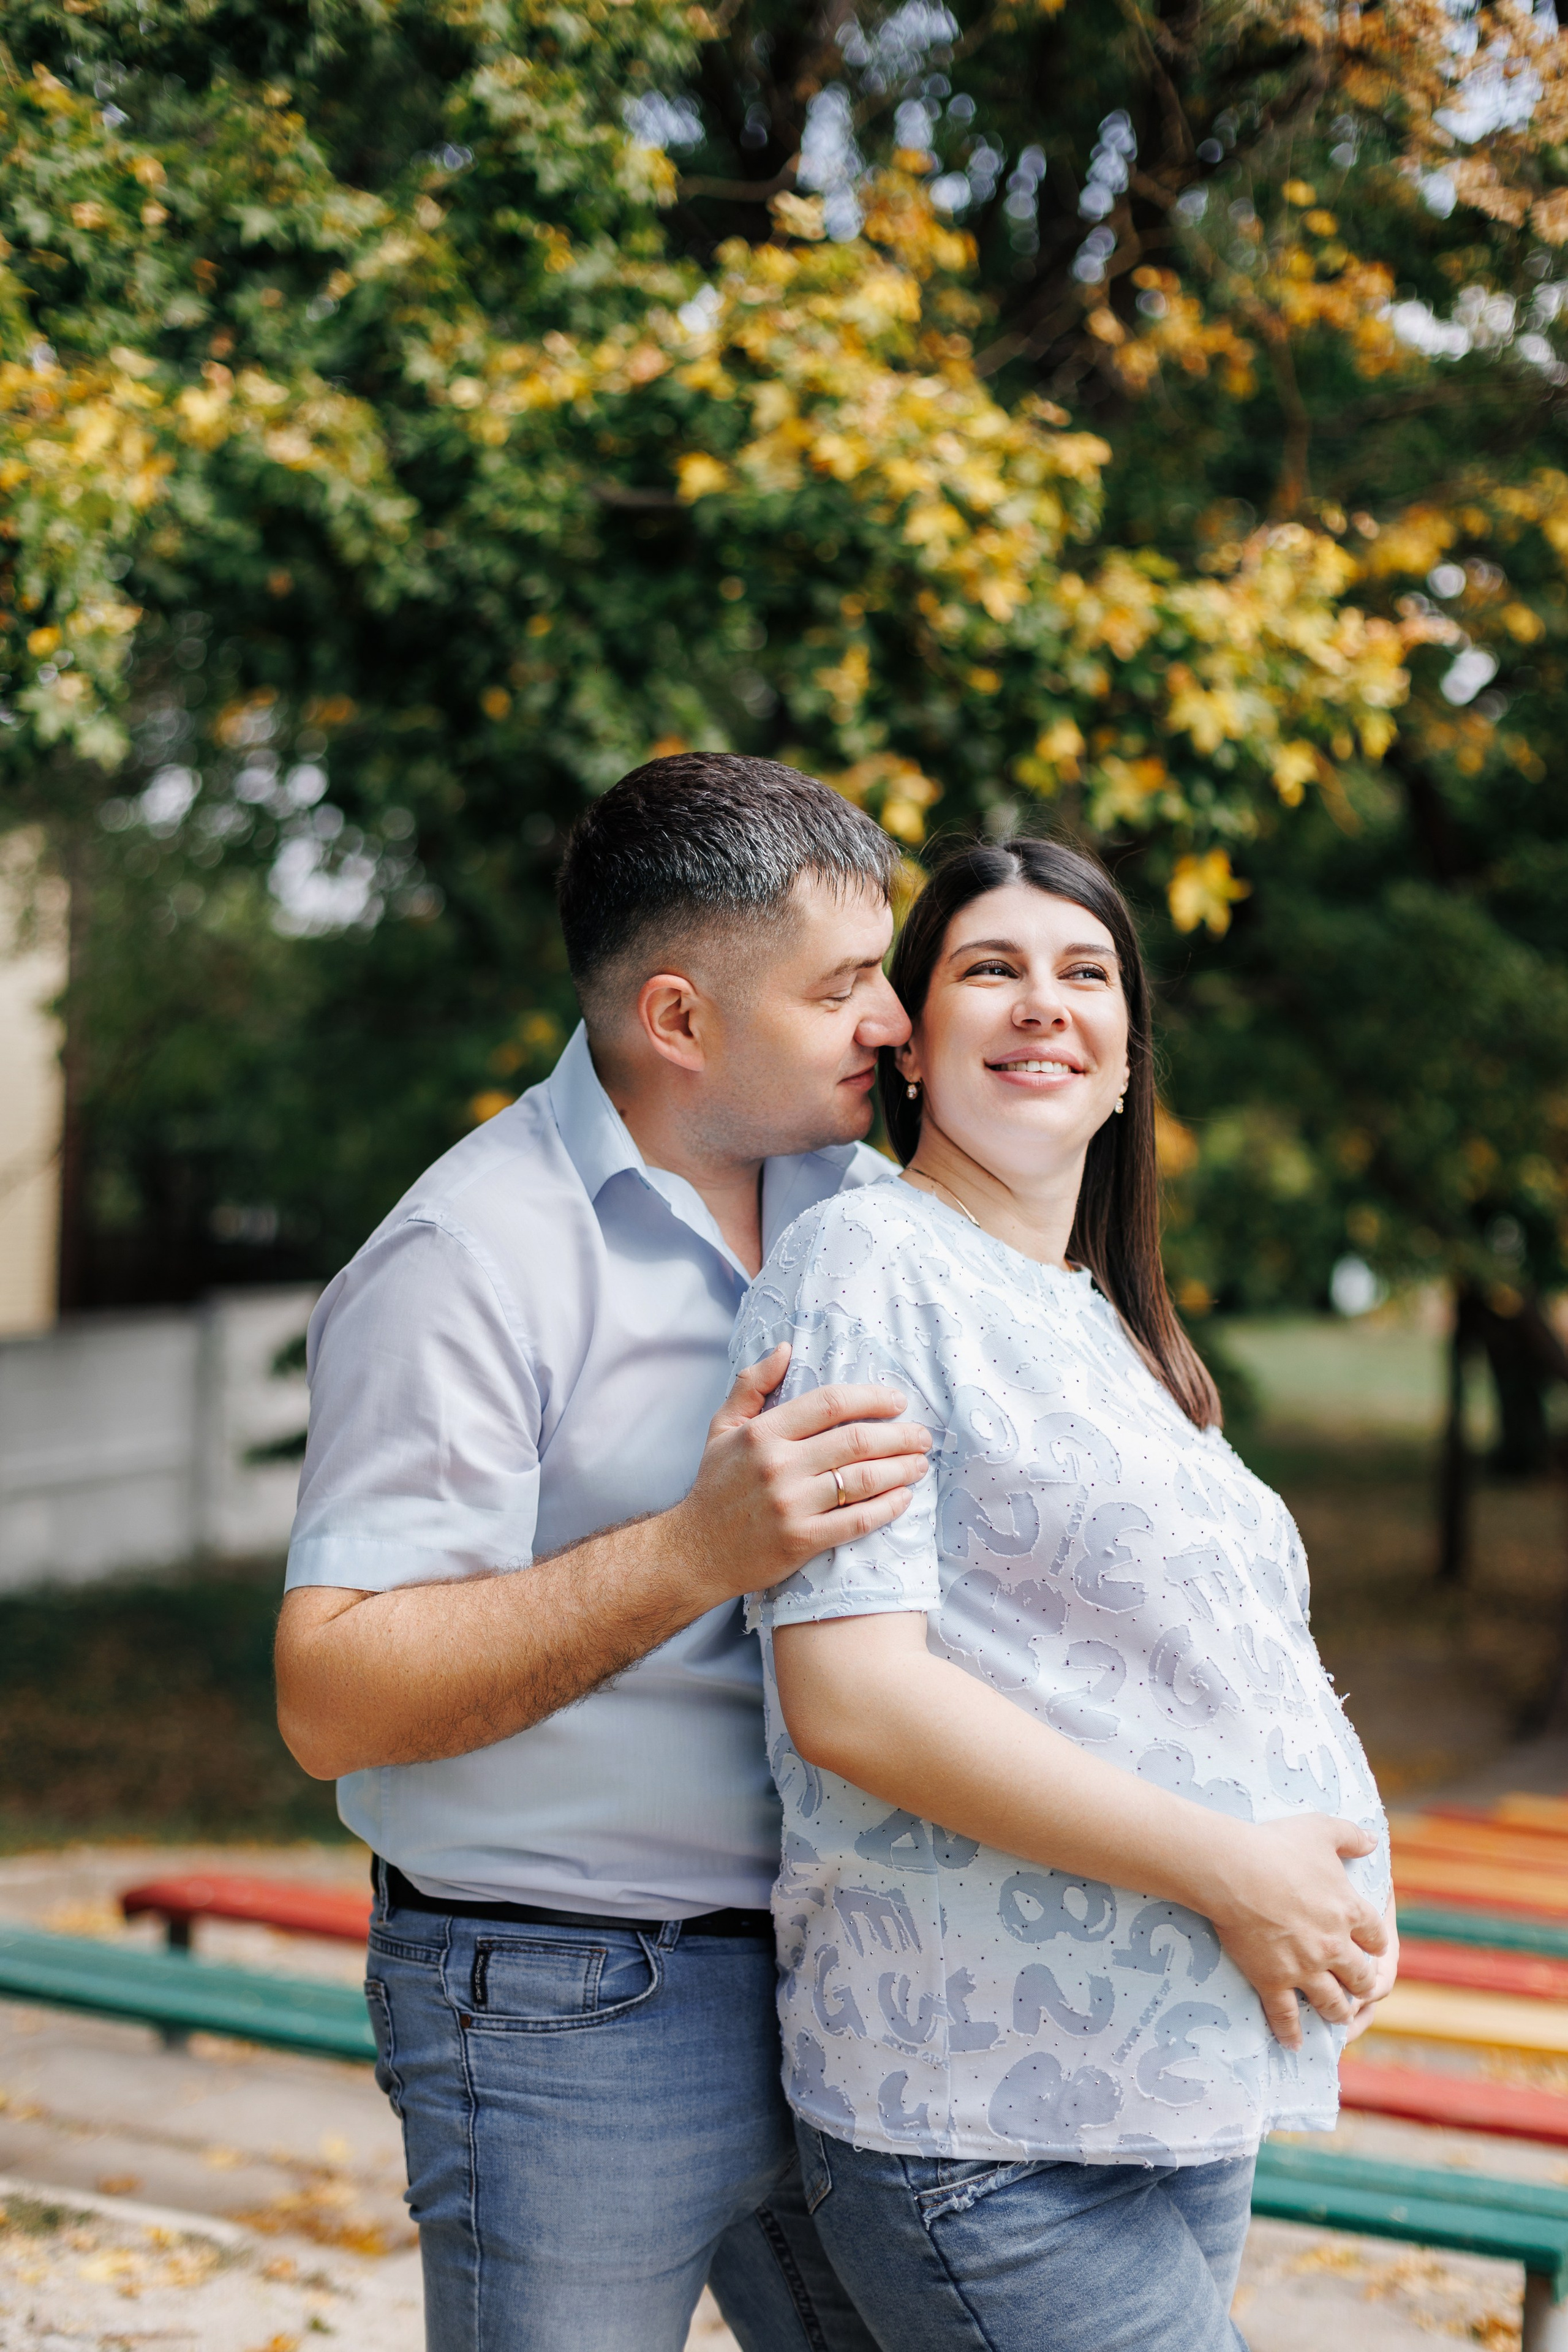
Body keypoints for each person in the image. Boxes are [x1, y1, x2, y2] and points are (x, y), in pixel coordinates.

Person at [273, 753, 940, 2352]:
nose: (896, 1025)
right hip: (565, 2001)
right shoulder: (468, 1256)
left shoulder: (867, 1207)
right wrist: (698, 1548)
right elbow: (333, 1695)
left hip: (855, 1980)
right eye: (844, 986)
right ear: (678, 1020)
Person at [731, 836, 1398, 2352]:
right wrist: (1238, 1873)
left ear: (1121, 1070)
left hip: (1158, 2084)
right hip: (986, 2122)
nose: (1041, 1005)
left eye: (1081, 975)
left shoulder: (1102, 1322)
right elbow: (851, 1695)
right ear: (909, 1048)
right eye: (988, 970)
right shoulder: (866, 1270)